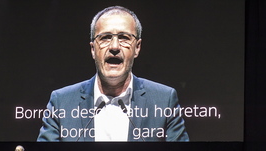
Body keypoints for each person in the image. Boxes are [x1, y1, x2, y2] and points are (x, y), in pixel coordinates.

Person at [37, 6, 189, 142]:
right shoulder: (61, 102)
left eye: (124, 38)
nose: (114, 46)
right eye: (105, 38)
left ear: (137, 47)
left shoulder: (164, 100)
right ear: (92, 49)